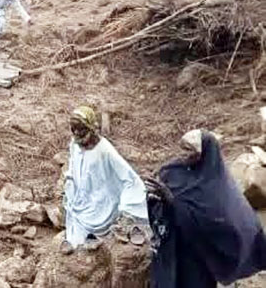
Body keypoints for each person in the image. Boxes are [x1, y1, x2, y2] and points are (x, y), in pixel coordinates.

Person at [145, 130, 266, 288]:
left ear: (204, 153)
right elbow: (159, 204)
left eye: (189, 150)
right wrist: (154, 200)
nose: (183, 154)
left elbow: (214, 223)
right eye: (182, 148)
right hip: (172, 246)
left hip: (198, 255)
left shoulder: (215, 185)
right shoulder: (171, 170)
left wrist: (173, 203)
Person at [62, 106, 148, 252]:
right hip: (82, 198)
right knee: (73, 212)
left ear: (90, 127)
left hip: (103, 203)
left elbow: (129, 178)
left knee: (96, 219)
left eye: (80, 129)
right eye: (73, 129)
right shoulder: (75, 145)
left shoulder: (104, 150)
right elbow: (73, 166)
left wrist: (126, 205)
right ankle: (80, 239)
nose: (76, 133)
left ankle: (103, 233)